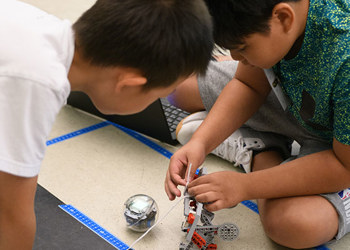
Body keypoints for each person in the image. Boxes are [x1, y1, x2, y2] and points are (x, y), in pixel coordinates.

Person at [0, 0, 214, 248]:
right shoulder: (37, 85)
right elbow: (11, 217)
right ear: (128, 84)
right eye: (157, 96)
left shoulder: (37, 27)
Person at [165, 0, 350, 248]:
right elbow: (248, 84)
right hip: (295, 102)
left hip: (340, 153)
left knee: (291, 225)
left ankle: (261, 156)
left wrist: (244, 187)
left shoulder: (345, 59)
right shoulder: (274, 20)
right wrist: (201, 143)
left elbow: (342, 166)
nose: (235, 57)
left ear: (284, 18)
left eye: (242, 47)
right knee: (177, 89)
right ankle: (266, 146)